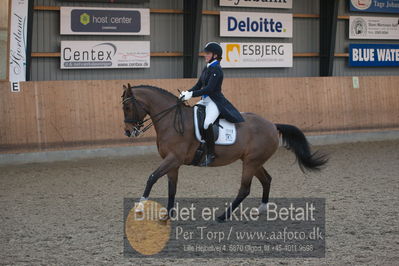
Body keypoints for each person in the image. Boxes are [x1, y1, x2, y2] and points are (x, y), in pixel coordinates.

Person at [180, 42, 245, 166]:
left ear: (215, 55)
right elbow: (199, 85)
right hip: (205, 101)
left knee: (207, 123)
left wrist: (192, 95)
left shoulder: (217, 70)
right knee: (193, 118)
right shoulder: (207, 67)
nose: (205, 55)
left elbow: (209, 89)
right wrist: (187, 92)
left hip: (214, 101)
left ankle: (211, 154)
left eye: (207, 53)